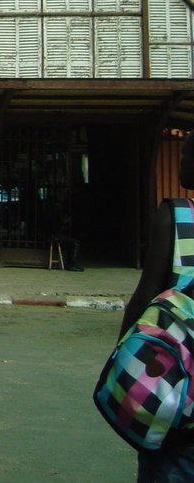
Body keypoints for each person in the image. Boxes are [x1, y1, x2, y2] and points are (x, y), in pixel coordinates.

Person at [120, 130, 194, 482]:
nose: (180, 160)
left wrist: (120, 363)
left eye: (185, 154)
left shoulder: (175, 217)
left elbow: (143, 300)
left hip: (179, 402)